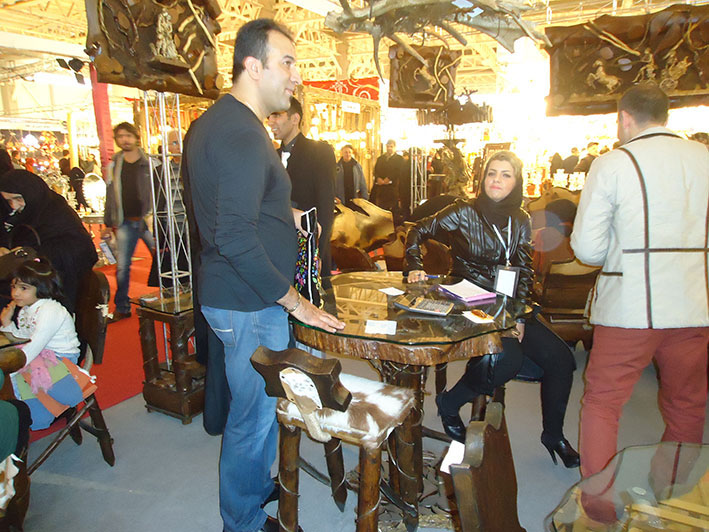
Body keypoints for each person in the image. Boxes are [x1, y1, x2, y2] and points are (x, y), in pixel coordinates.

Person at [182, 18, 344, 532]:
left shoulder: (223, 123)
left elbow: (229, 208)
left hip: (240, 294)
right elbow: (232, 235)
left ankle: (254, 486)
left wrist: (281, 214)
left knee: (261, 409)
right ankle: (244, 521)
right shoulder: (242, 134)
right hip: (250, 301)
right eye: (287, 62)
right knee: (251, 420)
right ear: (253, 66)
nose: (297, 75)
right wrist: (297, 302)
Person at [405, 150, 579, 468]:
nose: (497, 180)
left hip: (508, 302)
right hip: (468, 299)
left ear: (516, 182)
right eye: (492, 173)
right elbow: (417, 231)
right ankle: (450, 403)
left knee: (561, 360)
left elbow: (523, 269)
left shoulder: (521, 218)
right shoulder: (463, 211)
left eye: (505, 174)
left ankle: (553, 435)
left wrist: (519, 316)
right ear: (483, 178)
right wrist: (415, 264)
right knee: (507, 358)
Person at [570, 83, 709, 480]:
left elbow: (588, 250)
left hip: (630, 306)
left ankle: (598, 504)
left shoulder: (613, 163)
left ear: (624, 118)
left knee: (603, 402)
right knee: (688, 404)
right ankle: (669, 492)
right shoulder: (703, 158)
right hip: (693, 302)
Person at [0, 260, 96, 430]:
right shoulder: (27, 309)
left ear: (41, 288)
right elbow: (22, 339)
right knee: (16, 372)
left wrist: (12, 368)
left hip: (62, 358)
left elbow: (35, 344)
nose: (16, 293)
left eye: (23, 288)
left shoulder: (50, 310)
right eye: (14, 287)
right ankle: (30, 412)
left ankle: (30, 411)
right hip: (39, 354)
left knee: (13, 375)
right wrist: (7, 322)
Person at [0, 170, 97, 314]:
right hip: (26, 285)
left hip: (55, 289)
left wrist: (32, 254)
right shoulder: (22, 213)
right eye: (8, 201)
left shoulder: (56, 213)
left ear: (31, 193)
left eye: (18, 198)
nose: (14, 206)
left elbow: (81, 249)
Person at [268, 97, 336, 276]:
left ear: (295, 119)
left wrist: (317, 253)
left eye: (276, 115)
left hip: (307, 249)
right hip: (275, 254)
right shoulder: (269, 156)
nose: (270, 121)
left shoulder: (320, 152)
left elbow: (326, 207)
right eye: (269, 116)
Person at [103, 122, 155, 323]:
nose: (124, 139)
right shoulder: (114, 165)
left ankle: (173, 299)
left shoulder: (150, 163)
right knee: (123, 267)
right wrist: (108, 223)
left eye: (128, 135)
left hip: (148, 220)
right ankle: (122, 307)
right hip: (125, 222)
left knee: (164, 260)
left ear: (136, 137)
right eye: (120, 136)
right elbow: (110, 195)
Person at [370, 139, 404, 214]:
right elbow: (376, 170)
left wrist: (389, 178)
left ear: (395, 147)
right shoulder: (380, 158)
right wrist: (378, 178)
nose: (389, 148)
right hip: (381, 188)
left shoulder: (399, 159)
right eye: (388, 146)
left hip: (393, 188)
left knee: (392, 209)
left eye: (391, 146)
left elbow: (399, 171)